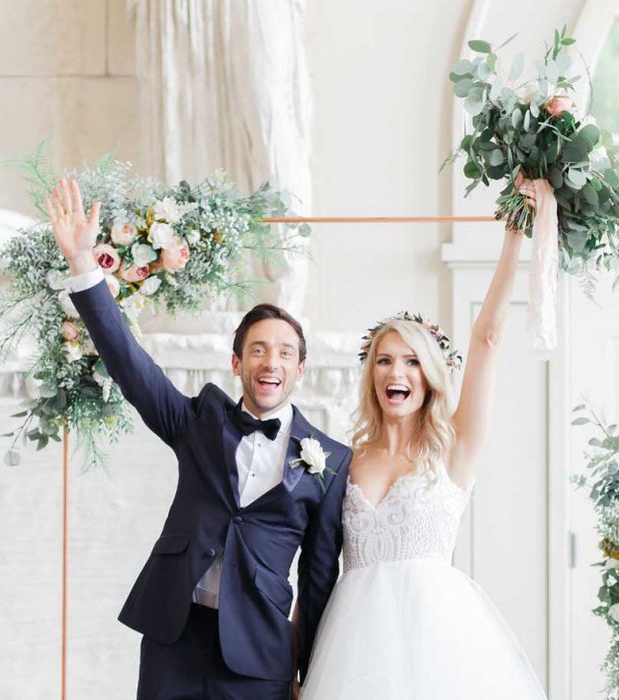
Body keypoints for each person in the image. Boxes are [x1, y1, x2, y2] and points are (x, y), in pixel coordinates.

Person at [46, 178, 351, 700]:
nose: (270, 361)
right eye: (257, 350)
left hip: (259, 657)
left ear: (300, 369)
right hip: (174, 640)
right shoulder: (200, 422)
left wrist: (310, 672)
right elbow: (131, 367)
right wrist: (83, 267)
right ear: (237, 363)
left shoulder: (332, 463)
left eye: (283, 352)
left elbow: (319, 581)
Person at [301, 176, 549, 699]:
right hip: (351, 653)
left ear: (430, 374)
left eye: (413, 361)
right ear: (372, 375)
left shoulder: (455, 448)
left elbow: (488, 338)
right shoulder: (346, 462)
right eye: (386, 360)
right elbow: (318, 567)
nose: (399, 372)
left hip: (440, 643)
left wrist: (514, 237)